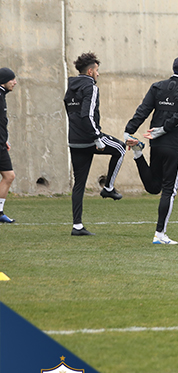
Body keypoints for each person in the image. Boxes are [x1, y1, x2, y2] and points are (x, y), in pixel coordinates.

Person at [123, 55, 178, 245]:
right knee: (168, 191)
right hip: (174, 144)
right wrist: (164, 129)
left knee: (154, 187)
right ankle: (160, 234)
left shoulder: (157, 86)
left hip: (155, 144)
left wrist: (128, 131)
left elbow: (143, 109)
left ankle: (138, 153)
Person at [64, 52, 129, 237]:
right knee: (120, 148)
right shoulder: (90, 87)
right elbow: (87, 114)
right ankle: (108, 188)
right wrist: (96, 137)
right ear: (90, 71)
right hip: (89, 139)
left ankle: (77, 226)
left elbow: (70, 111)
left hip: (74, 140)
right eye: (97, 70)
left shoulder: (70, 87)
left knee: (79, 184)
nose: (98, 74)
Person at [0, 68, 17, 224]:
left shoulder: (2, 95)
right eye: (12, 79)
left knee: (9, 176)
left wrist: (4, 139)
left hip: (1, 144)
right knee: (9, 176)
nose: (15, 82)